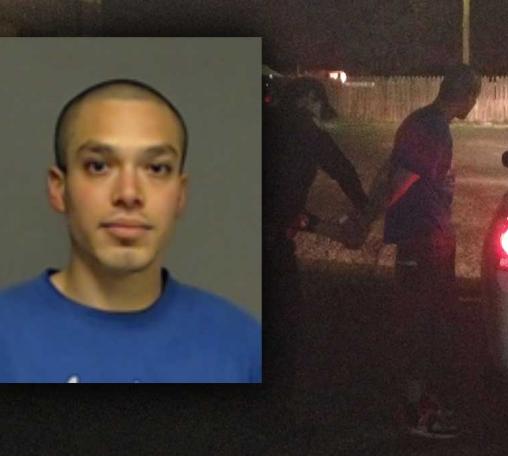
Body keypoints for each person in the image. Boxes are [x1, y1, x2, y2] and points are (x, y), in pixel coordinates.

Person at [0, 79, 261, 383]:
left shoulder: (243, 347)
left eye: (156, 169)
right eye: (98, 166)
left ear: (180, 194)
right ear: (59, 189)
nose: (128, 193)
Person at [356, 64, 482, 438]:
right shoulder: (431, 127)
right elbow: (399, 177)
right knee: (420, 327)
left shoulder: (425, 123)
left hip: (430, 238)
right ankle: (416, 413)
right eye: (475, 97)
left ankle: (424, 403)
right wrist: (366, 219)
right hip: (423, 240)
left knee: (432, 325)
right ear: (469, 96)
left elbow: (390, 170)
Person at [263, 77, 368, 392]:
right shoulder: (306, 132)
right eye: (320, 106)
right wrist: (364, 209)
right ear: (309, 98)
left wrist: (322, 226)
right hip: (270, 242)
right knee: (285, 317)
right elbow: (343, 171)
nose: (321, 114)